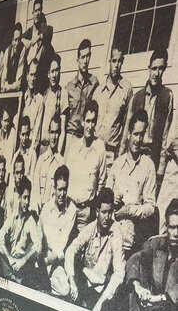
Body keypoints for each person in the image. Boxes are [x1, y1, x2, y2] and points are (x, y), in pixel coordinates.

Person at [64, 187, 125, 311]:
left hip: (103, 291)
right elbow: (70, 251)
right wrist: (72, 281)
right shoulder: (89, 229)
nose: (107, 217)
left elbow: (119, 272)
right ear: (97, 212)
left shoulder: (116, 232)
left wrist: (100, 303)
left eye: (110, 212)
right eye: (103, 212)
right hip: (84, 284)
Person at [125, 199, 178, 311]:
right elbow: (134, 259)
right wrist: (138, 287)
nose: (176, 233)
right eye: (172, 227)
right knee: (136, 272)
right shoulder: (156, 243)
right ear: (166, 226)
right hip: (151, 304)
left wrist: (157, 298)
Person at [122, 48, 174, 188]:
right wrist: (121, 157)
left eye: (161, 69)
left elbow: (165, 136)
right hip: (134, 153)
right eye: (154, 68)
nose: (156, 73)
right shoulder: (137, 97)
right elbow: (127, 130)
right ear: (149, 69)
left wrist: (160, 171)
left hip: (152, 157)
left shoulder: (167, 97)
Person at [108, 109, 156, 256]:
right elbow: (105, 199)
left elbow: (151, 207)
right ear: (129, 134)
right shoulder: (117, 164)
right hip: (112, 238)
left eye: (141, 135)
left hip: (133, 242)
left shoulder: (148, 166)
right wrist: (112, 197)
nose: (138, 139)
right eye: (135, 134)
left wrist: (129, 210)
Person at [0, 175, 48, 289]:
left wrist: (23, 260)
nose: (27, 202)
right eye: (24, 198)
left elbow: (38, 245)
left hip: (22, 264)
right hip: (9, 262)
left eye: (28, 198)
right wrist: (10, 258)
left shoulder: (30, 220)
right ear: (19, 197)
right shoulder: (11, 218)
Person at [66, 99, 107, 227]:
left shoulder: (100, 148)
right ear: (83, 121)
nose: (90, 126)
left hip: (86, 212)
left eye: (93, 121)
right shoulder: (74, 148)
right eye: (88, 121)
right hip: (70, 208)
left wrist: (93, 210)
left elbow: (102, 181)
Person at [39, 164, 78, 297]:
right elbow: (42, 238)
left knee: (65, 289)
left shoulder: (72, 210)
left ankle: (46, 280)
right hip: (45, 255)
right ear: (54, 188)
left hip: (56, 259)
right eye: (59, 189)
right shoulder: (46, 209)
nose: (62, 194)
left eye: (65, 190)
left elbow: (61, 246)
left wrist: (46, 262)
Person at [94, 46, 133, 168]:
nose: (117, 65)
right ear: (109, 62)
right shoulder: (98, 90)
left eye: (120, 61)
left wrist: (120, 155)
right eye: (114, 61)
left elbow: (127, 124)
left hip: (111, 153)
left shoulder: (127, 89)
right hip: (94, 149)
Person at [65, 38, 99, 140]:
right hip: (70, 136)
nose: (85, 61)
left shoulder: (94, 83)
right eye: (82, 57)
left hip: (86, 137)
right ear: (78, 60)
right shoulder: (69, 87)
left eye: (88, 56)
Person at [32, 114, 65, 211]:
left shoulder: (61, 162)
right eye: (52, 132)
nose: (54, 137)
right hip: (38, 210)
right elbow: (35, 189)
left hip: (51, 212)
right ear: (48, 133)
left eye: (56, 133)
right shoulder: (41, 160)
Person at [39, 53, 66, 155]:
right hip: (40, 147)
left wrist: (58, 154)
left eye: (57, 70)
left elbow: (62, 130)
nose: (54, 75)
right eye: (52, 71)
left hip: (52, 149)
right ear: (48, 74)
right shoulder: (43, 95)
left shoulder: (63, 94)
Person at [0, 23, 26, 93]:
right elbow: (3, 80)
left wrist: (8, 87)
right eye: (15, 40)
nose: (17, 43)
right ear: (12, 40)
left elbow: (18, 83)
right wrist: (8, 87)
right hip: (7, 88)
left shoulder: (22, 49)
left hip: (16, 90)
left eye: (19, 40)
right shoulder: (7, 51)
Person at [0, 107, 16, 175]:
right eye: (5, 121)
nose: (7, 124)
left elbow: (11, 158)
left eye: (8, 121)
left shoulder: (13, 134)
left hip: (8, 173)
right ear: (1, 121)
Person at [16, 115, 37, 183]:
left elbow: (32, 179)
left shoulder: (32, 154)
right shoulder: (16, 155)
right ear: (19, 134)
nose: (25, 138)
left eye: (27, 135)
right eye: (23, 134)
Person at [6, 153, 26, 217]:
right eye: (17, 173)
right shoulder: (10, 191)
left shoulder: (28, 190)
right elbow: (9, 216)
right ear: (14, 174)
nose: (19, 176)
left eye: (21, 173)